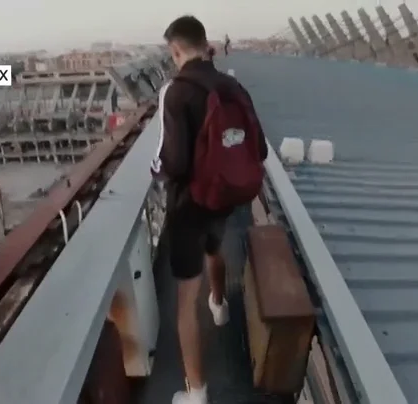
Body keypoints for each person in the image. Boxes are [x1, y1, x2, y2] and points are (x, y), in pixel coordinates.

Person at [151, 15, 268, 404]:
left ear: (176, 50)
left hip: (189, 206)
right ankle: (219, 305)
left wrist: (156, 170)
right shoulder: (234, 87)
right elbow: (260, 149)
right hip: (227, 196)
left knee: (185, 301)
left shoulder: (177, 91)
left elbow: (175, 161)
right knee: (215, 248)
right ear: (206, 44)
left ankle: (196, 392)